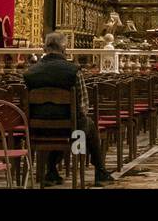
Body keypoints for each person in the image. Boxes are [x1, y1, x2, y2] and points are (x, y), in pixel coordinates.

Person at [22, 32, 114, 185]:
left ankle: (51, 170)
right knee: (88, 125)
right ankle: (100, 171)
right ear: (64, 48)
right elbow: (84, 105)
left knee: (60, 125)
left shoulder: (29, 73)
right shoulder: (73, 71)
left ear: (45, 48)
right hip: (70, 130)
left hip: (37, 129)